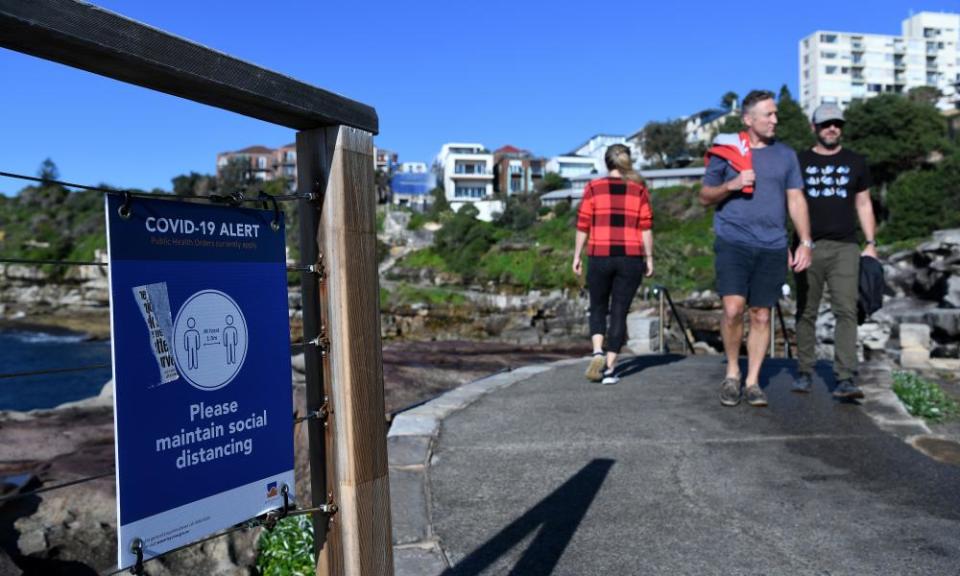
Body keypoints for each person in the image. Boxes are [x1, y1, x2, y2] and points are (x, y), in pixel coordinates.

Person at [700, 90, 813, 407]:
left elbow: (795, 199)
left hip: (773, 244)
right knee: (733, 309)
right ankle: (733, 372)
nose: (775, 119)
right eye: (769, 114)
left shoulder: (786, 155)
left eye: (776, 114)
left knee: (762, 315)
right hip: (733, 241)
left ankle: (752, 382)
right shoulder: (727, 151)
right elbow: (705, 196)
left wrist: (805, 241)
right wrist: (731, 185)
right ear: (749, 119)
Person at [792, 103, 877, 399]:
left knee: (846, 310)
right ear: (814, 127)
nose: (832, 129)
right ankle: (804, 370)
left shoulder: (856, 161)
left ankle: (845, 377)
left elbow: (864, 203)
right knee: (806, 310)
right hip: (807, 246)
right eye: (826, 124)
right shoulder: (798, 161)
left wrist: (871, 243)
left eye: (837, 124)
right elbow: (789, 202)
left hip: (845, 246)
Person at [573, 144, 654, 385]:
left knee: (597, 306)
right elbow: (646, 227)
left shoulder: (593, 188)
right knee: (619, 312)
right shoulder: (638, 189)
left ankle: (597, 352)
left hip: (600, 256)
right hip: (630, 258)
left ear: (606, 163)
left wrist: (577, 255)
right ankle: (609, 369)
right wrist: (649, 258)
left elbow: (583, 224)